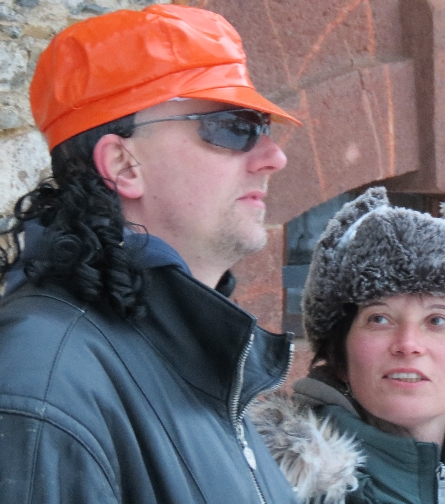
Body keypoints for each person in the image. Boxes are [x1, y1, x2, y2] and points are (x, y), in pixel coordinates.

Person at [0, 4, 302, 503]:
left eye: (262, 125)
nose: (275, 157)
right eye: (234, 126)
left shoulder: (192, 359)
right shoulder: (44, 374)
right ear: (123, 164)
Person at [251, 187, 445, 503]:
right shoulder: (268, 485)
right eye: (379, 318)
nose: (408, 344)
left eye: (437, 320)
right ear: (341, 359)